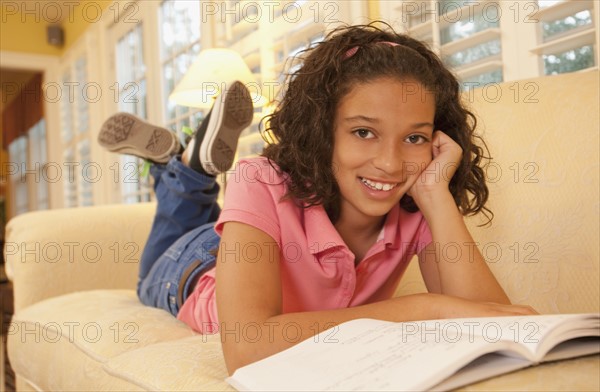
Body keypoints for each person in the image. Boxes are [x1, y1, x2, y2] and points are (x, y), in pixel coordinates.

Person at [99, 23, 536, 375]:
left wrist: (435, 192)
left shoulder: (416, 198)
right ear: (321, 130)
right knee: (152, 267)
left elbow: (491, 321)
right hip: (195, 270)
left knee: (197, 206)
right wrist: (422, 308)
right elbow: (247, 349)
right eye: (363, 132)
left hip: (248, 245)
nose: (390, 163)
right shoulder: (260, 178)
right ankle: (184, 172)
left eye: (415, 137)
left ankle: (183, 165)